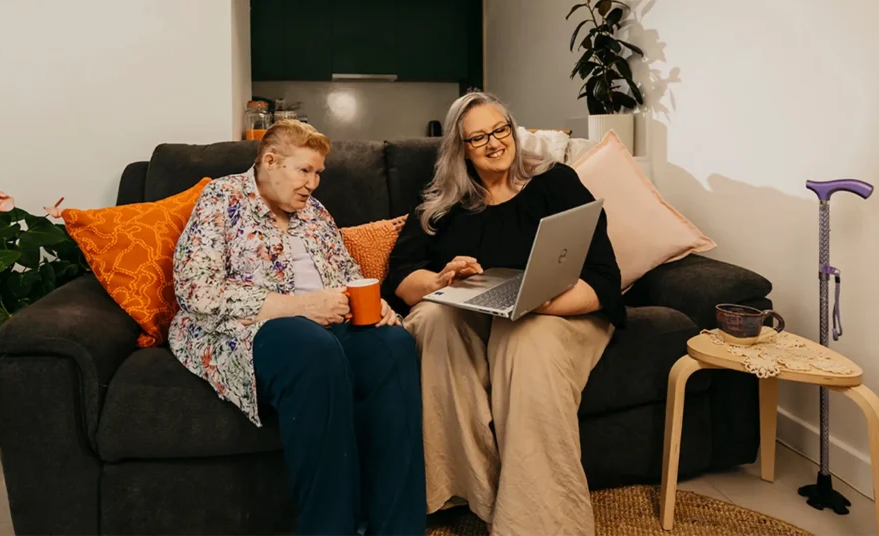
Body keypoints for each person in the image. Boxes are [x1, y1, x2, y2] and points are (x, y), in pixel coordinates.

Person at [381, 92, 626, 535]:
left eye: (500, 130)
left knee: (523, 338)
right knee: (433, 322)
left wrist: (543, 301)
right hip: (474, 314)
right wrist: (440, 281)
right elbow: (400, 278)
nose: (495, 143)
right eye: (479, 138)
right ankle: (470, 491)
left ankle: (537, 523)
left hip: (562, 312)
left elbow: (604, 277)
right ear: (460, 149)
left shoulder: (557, 182)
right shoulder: (442, 204)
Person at [170, 120, 426, 535]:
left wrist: (374, 303)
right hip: (249, 328)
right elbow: (195, 289)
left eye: (319, 173)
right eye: (304, 171)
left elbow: (346, 272)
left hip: (324, 323)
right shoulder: (221, 197)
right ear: (270, 161)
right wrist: (299, 307)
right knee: (312, 347)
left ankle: (397, 528)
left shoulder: (314, 212)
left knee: (392, 345)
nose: (313, 183)